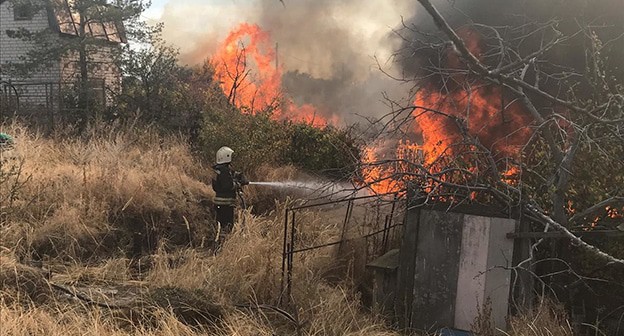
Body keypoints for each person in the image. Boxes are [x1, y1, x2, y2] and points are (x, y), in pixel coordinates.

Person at [211, 146, 248, 239]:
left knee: (222, 227)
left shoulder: (221, 169)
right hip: (225, 205)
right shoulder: (223, 171)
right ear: (227, 156)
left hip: (222, 204)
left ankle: (220, 244)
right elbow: (228, 185)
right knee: (226, 227)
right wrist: (239, 184)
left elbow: (231, 175)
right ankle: (222, 246)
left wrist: (239, 175)